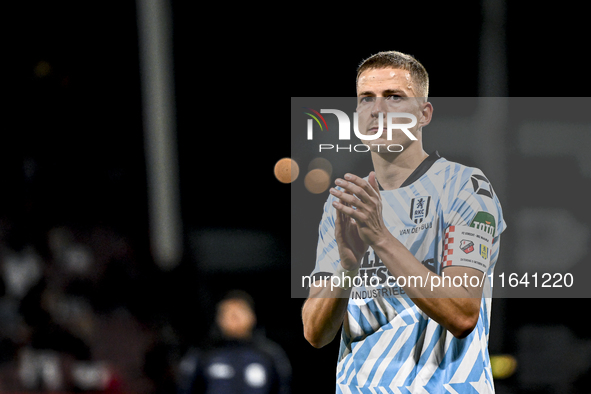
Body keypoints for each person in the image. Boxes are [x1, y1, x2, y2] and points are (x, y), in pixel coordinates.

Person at [301, 51, 506, 393]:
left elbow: (462, 313)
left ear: (424, 114)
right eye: (366, 99)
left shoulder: (465, 188)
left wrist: (380, 238)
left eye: (394, 97)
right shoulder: (344, 202)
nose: (378, 109)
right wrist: (348, 269)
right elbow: (315, 333)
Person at [181, 290, 291, 394]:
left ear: (252, 316)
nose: (234, 316)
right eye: (227, 312)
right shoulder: (203, 354)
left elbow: (283, 388)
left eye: (239, 310)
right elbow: (186, 388)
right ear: (218, 319)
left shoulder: (270, 354)